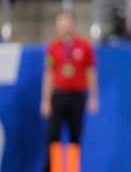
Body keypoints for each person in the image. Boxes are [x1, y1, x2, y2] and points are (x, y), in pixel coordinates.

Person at [40, 12, 99, 172]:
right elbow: (49, 73)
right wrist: (45, 100)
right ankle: (51, 169)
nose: (63, 28)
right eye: (60, 25)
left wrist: (93, 96)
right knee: (53, 137)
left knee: (75, 136)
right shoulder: (52, 47)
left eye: (65, 24)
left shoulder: (84, 46)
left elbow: (90, 72)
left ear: (72, 24)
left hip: (77, 97)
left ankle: (72, 169)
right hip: (58, 96)